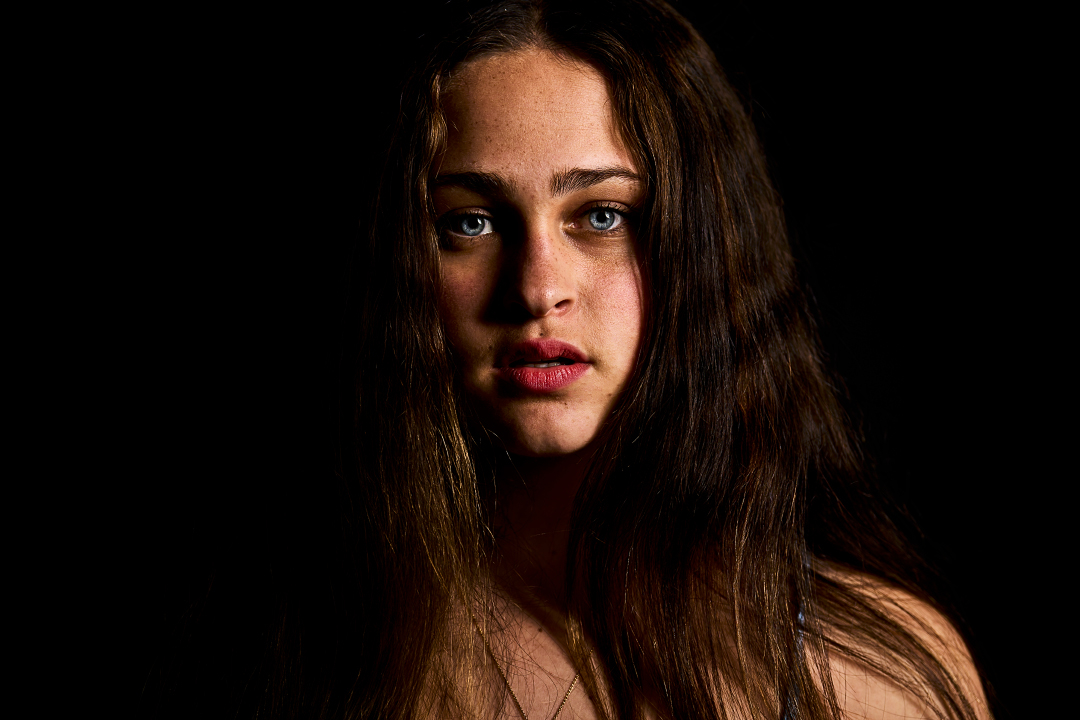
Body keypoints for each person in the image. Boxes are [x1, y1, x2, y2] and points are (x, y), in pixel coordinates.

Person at [338, 1, 995, 718]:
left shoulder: (877, 675)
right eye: (471, 222)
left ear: (702, 248)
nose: (537, 289)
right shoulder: (311, 657)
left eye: (603, 216)